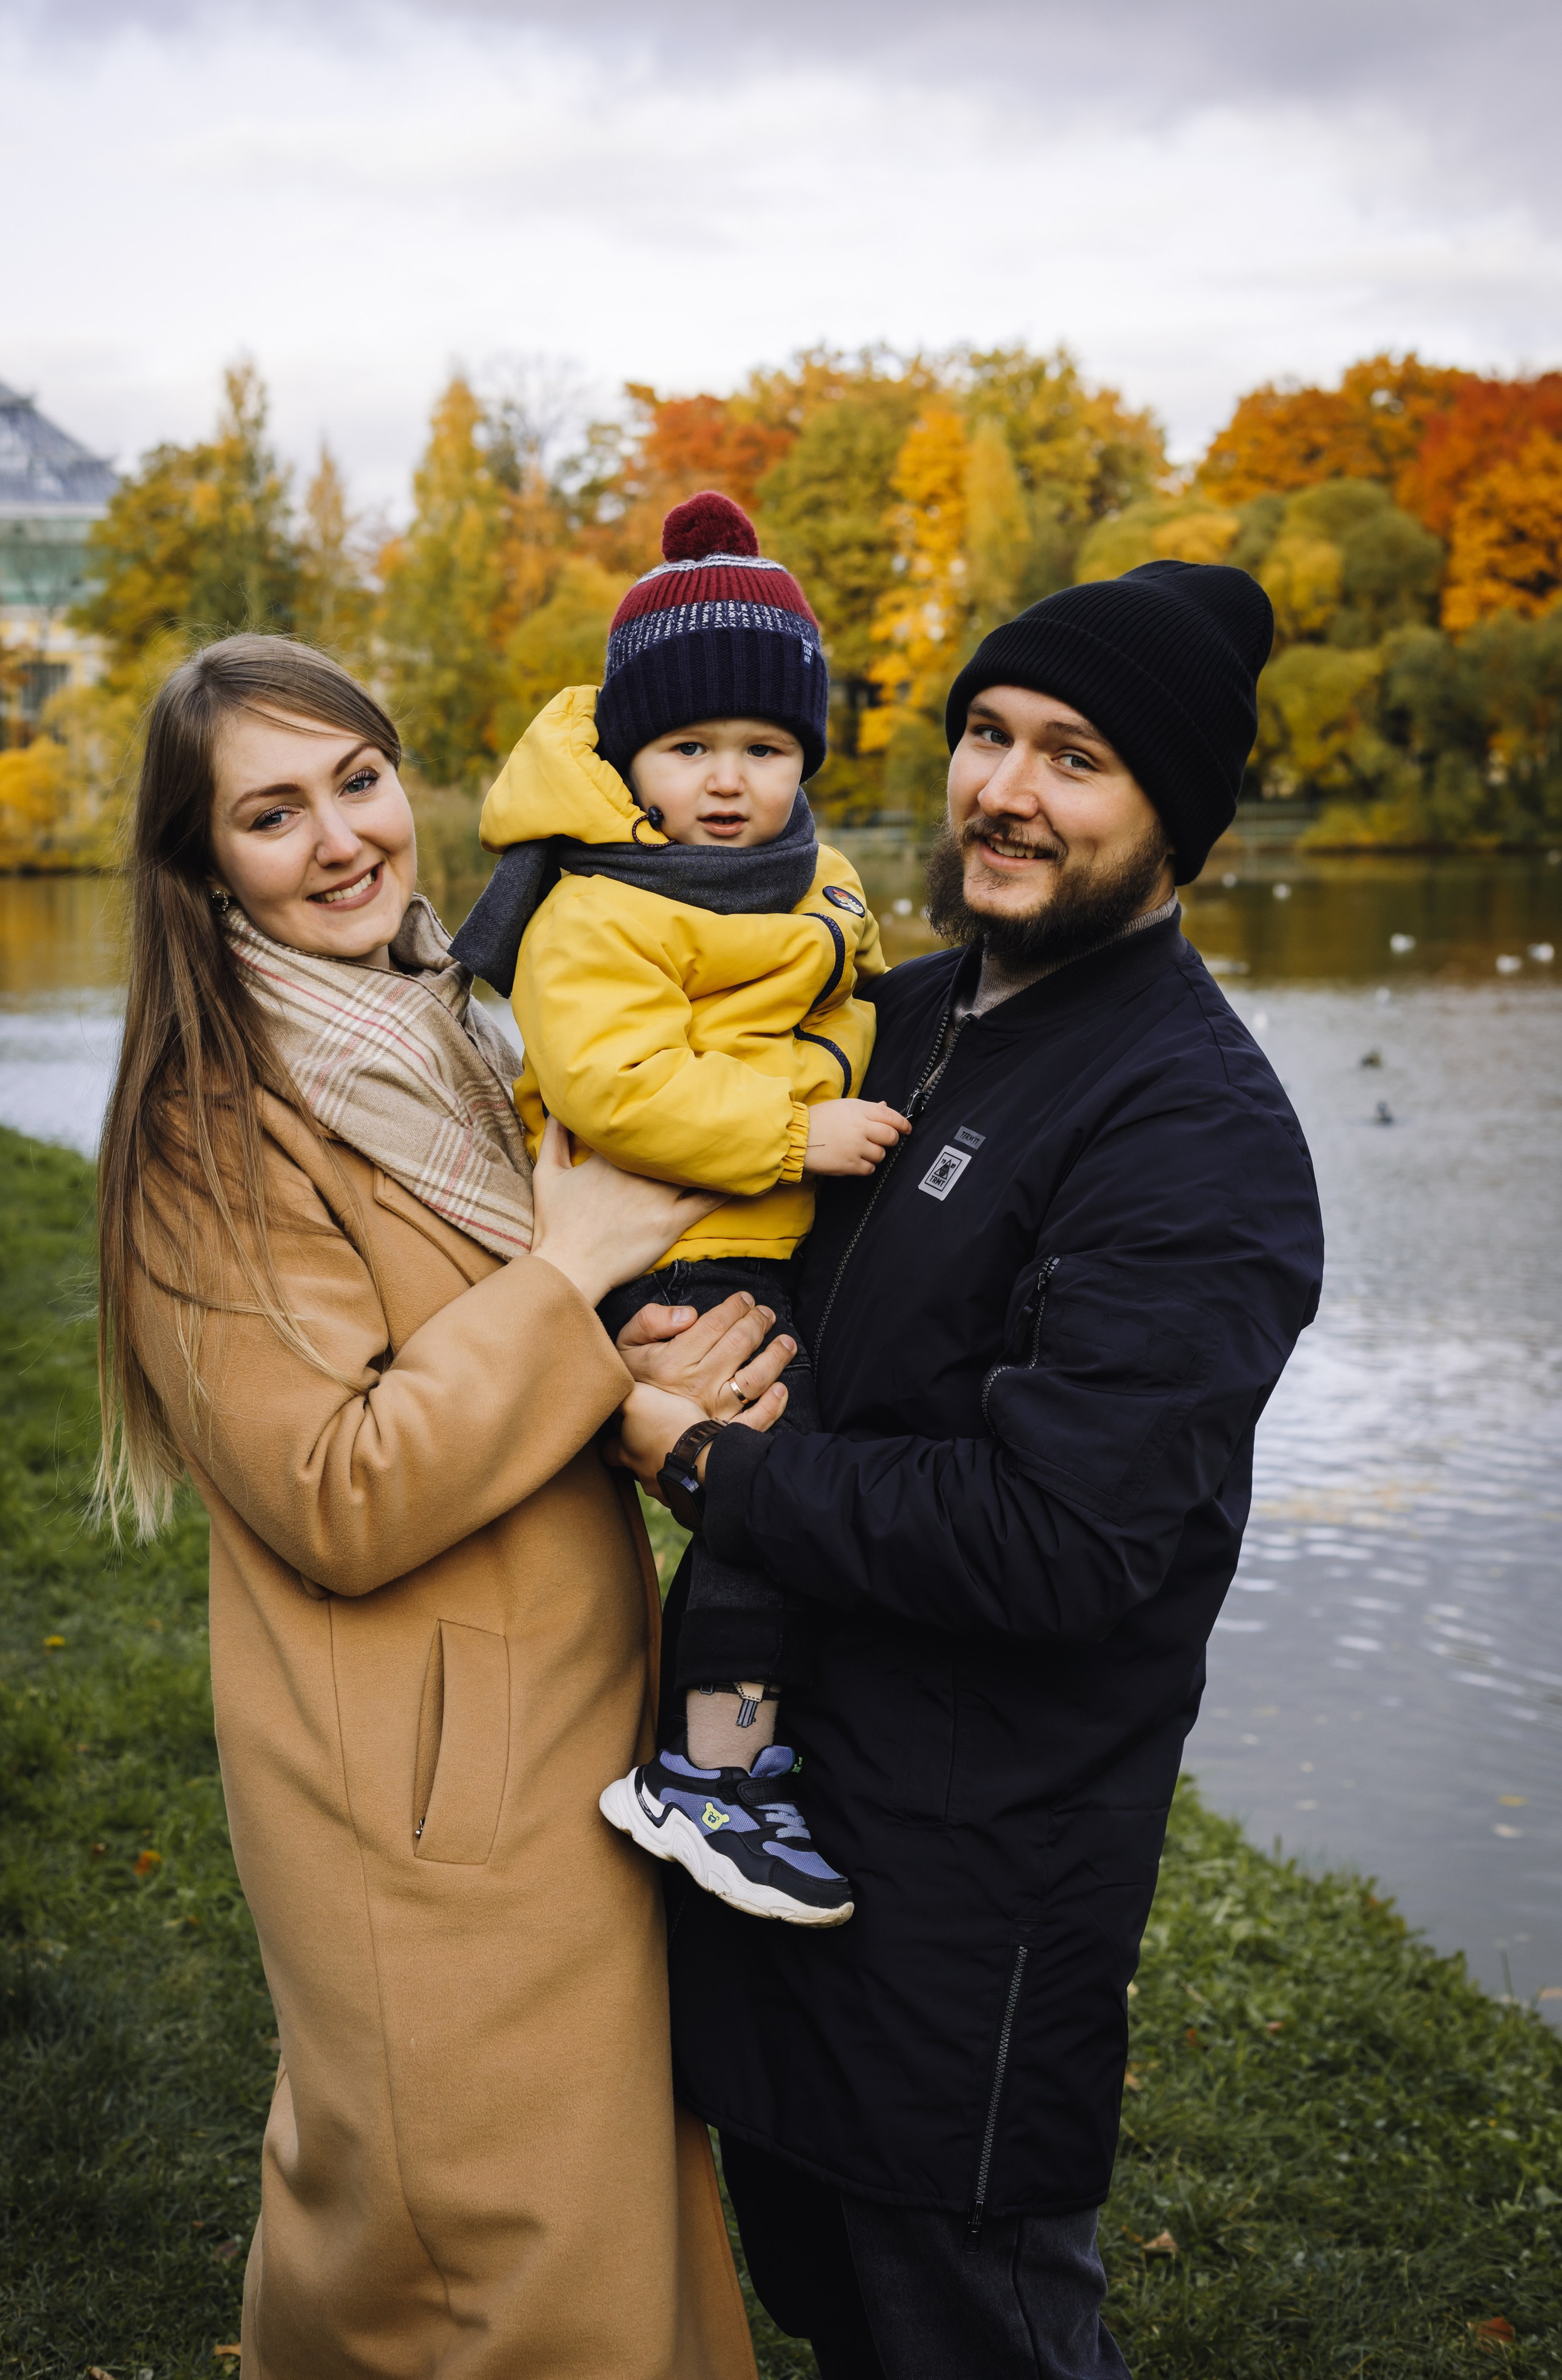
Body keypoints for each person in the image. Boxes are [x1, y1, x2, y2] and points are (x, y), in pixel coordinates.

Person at [616, 562, 1326, 2378]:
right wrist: (657, 1328)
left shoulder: (1192, 1124)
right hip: (774, 1827)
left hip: (965, 1914)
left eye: (1076, 757)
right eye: (988, 735)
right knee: (824, 2299)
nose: (1007, 788)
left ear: (1179, 822)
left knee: (968, 2330)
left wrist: (701, 1452)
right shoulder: (901, 1018)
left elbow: (1066, 1536)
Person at [92, 633, 770, 2380]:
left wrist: (655, 1387)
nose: (338, 838)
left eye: (358, 780)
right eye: (269, 811)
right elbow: (335, 1486)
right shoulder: (213, 1126)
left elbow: (503, 1354)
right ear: (198, 867)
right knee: (498, 2269)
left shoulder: (451, 1033)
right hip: (425, 1800)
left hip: (551, 1752)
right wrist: (575, 1270)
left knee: (566, 2239)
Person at [454, 490, 906, 1927]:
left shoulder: (808, 877)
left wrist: (827, 1076)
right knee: (760, 1488)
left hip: (765, 1220)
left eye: (765, 749)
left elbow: (861, 1004)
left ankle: (753, 1743)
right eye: (689, 747)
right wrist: (792, 1120)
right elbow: (611, 1081)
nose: (727, 781)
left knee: (811, 1474)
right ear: (627, 754)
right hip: (677, 1233)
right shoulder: (601, 903)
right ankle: (708, 1771)